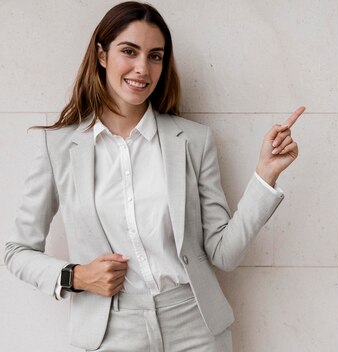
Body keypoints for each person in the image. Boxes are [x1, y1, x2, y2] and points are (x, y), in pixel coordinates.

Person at [4, 2, 303, 351]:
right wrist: (77, 276)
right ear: (101, 55)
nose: (142, 68)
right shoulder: (59, 147)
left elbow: (223, 253)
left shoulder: (193, 140)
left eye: (155, 56)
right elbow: (17, 251)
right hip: (111, 329)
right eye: (129, 51)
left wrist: (264, 176)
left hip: (196, 325)